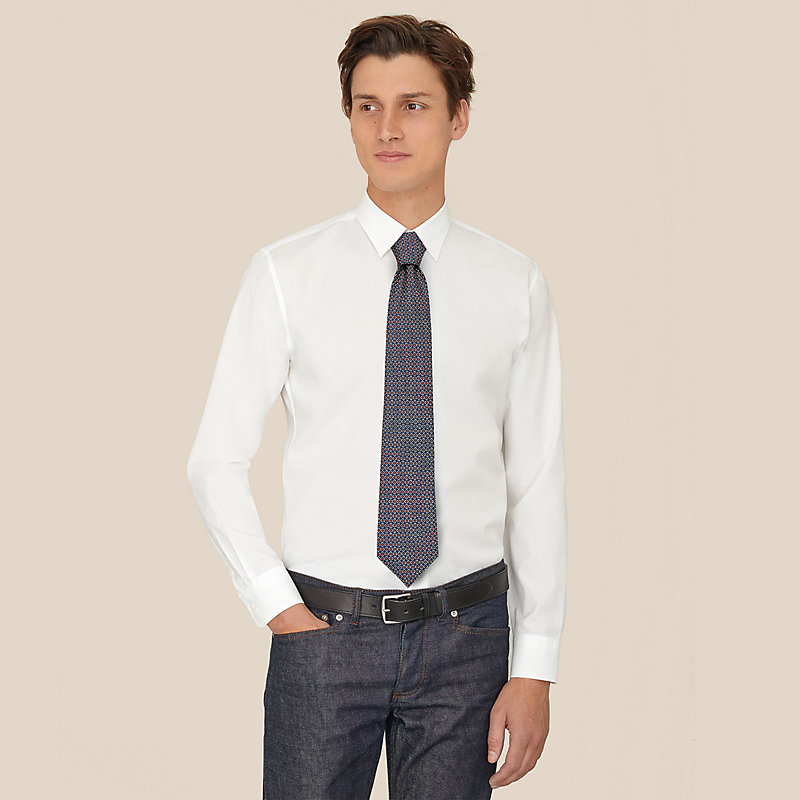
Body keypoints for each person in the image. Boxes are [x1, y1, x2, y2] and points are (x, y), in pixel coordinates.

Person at [187, 13, 567, 800]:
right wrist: (280, 610)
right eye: (368, 106)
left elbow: (535, 479)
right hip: (324, 635)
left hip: (467, 639)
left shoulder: (513, 283)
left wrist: (535, 664)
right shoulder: (286, 275)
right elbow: (214, 462)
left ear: (459, 117)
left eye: (414, 105)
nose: (388, 128)